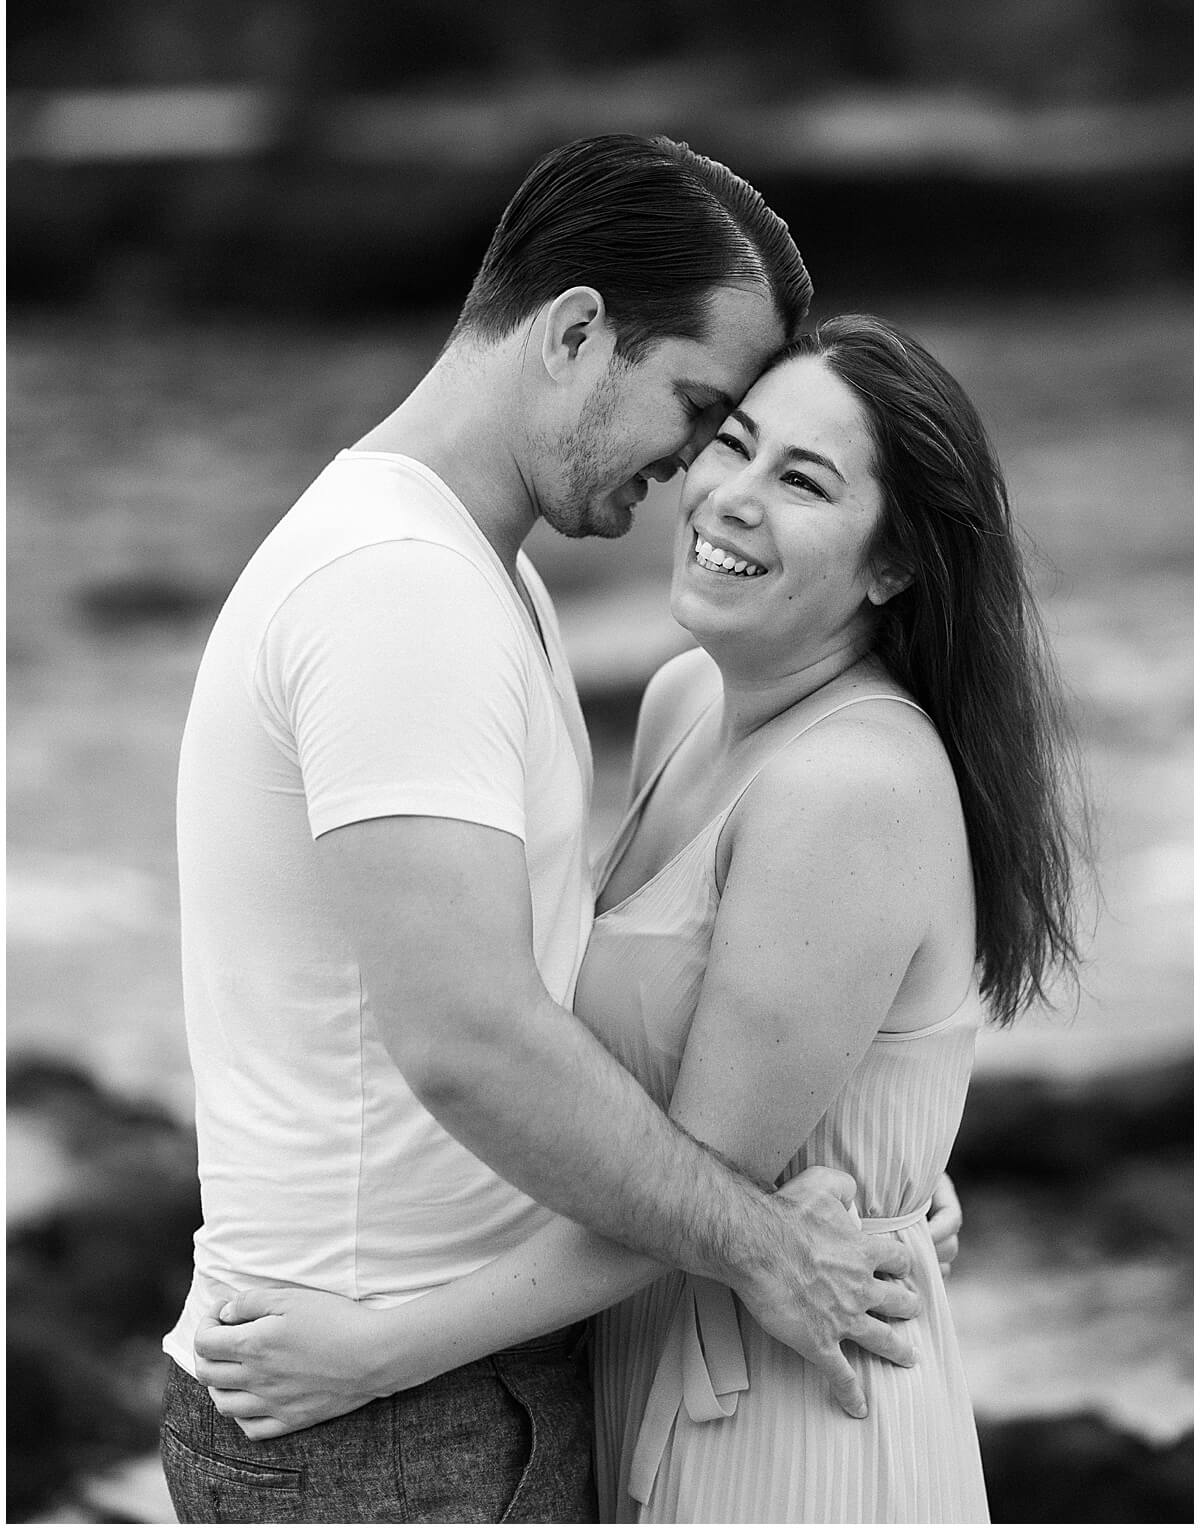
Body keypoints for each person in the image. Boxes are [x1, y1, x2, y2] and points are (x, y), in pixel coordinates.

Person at [192, 313, 1087, 1522]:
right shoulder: (682, 703)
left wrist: (382, 1350)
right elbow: (691, 1131)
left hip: (779, 1424)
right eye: (733, 443)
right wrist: (882, 1174)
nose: (728, 495)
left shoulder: (852, 787)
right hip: (633, 1360)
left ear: (894, 565)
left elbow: (698, 1182)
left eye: (804, 480)